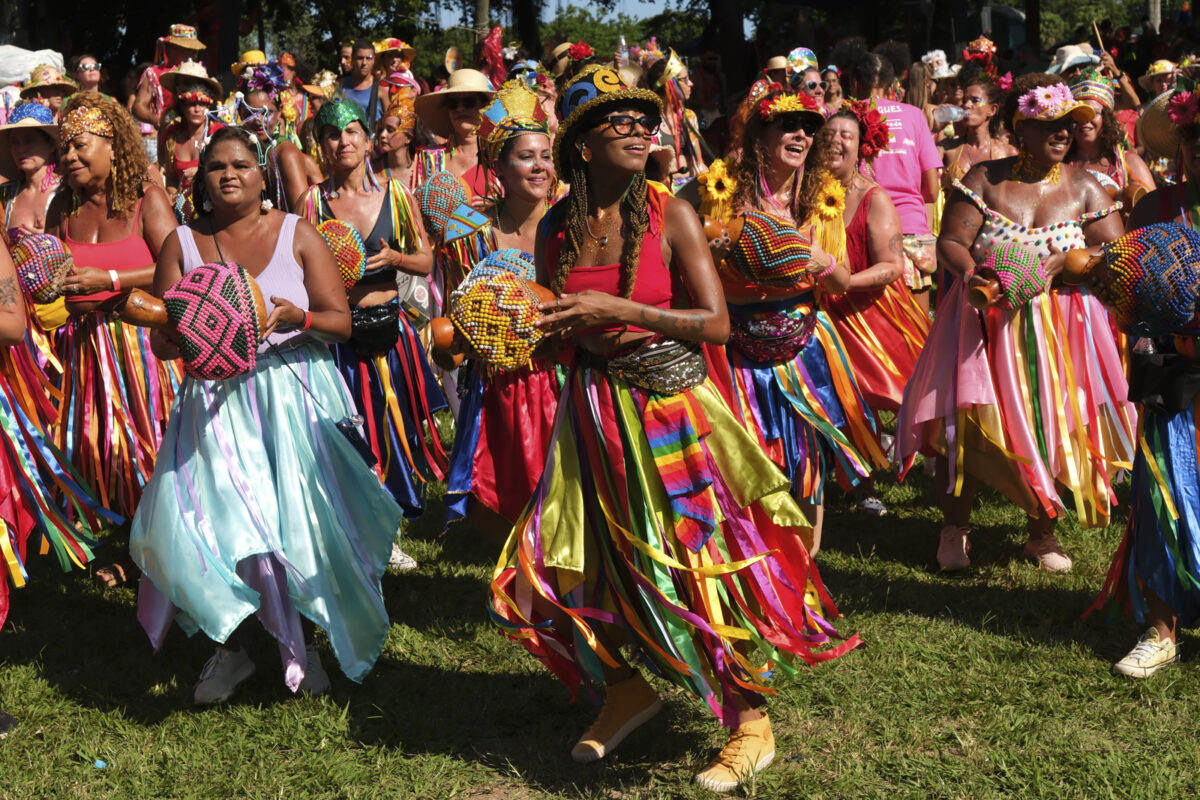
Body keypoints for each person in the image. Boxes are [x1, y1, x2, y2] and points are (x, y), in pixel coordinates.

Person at [492, 65, 858, 793]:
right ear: (581, 145)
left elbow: (716, 324)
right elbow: (557, 320)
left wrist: (620, 315)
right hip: (593, 413)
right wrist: (512, 335)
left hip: (672, 411)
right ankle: (627, 687)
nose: (638, 128)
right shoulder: (559, 225)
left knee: (699, 560)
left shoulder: (673, 213)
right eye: (617, 121)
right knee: (588, 561)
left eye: (642, 118)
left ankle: (750, 722)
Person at [129, 125, 403, 704]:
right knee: (217, 527)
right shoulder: (182, 241)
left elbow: (340, 322)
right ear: (201, 181)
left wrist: (292, 318)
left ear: (262, 177)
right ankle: (233, 652)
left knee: (294, 527)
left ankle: (302, 647)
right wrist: (193, 330)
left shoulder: (297, 233)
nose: (229, 174)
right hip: (213, 403)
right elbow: (163, 344)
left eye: (241, 165)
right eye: (215, 167)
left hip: (289, 397)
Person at [897, 73, 1135, 573]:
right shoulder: (985, 178)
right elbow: (951, 242)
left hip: (1063, 326)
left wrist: (1065, 264)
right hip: (982, 321)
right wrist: (974, 273)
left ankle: (1041, 534)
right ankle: (954, 529)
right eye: (1049, 123)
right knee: (968, 421)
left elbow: (1116, 250)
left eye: (1070, 124)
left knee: (1053, 422)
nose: (1063, 133)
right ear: (1018, 125)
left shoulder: (1087, 187)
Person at [708, 89, 887, 550]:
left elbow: (841, 281)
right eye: (788, 126)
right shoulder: (717, 188)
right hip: (735, 346)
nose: (802, 135)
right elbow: (679, 247)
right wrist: (706, 255)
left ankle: (808, 569)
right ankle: (757, 562)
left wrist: (819, 262)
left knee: (806, 461)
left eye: (809, 127)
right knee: (745, 458)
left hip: (803, 345)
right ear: (759, 135)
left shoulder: (822, 196)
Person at [1084, 84, 1200, 678]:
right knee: (1161, 499)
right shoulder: (1156, 208)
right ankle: (1160, 629)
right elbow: (1125, 282)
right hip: (1174, 379)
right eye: (1195, 138)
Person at [45, 91, 180, 583]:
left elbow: (178, 264)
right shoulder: (62, 205)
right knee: (96, 448)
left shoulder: (146, 200)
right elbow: (48, 267)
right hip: (81, 348)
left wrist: (112, 280)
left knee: (147, 446)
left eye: (80, 145)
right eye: (64, 149)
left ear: (112, 145)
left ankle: (157, 548)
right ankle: (120, 544)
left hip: (140, 348)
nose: (70, 157)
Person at [300, 100, 447, 529]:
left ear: (368, 141)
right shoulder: (311, 202)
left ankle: (398, 516)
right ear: (322, 146)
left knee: (397, 426)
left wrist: (396, 259)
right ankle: (363, 521)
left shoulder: (395, 194)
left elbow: (425, 261)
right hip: (342, 335)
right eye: (331, 134)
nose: (342, 141)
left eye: (350, 132)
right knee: (353, 428)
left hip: (391, 331)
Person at [442, 80, 560, 533]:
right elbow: (459, 313)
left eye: (545, 156)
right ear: (498, 167)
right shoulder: (468, 229)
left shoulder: (572, 222)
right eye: (526, 157)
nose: (539, 167)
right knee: (509, 508)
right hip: (498, 381)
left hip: (563, 375)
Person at [820, 105, 931, 515]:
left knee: (904, 395)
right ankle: (859, 485)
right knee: (840, 401)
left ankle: (944, 462)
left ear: (862, 146)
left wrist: (845, 281)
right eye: (828, 134)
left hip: (870, 313)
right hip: (821, 315)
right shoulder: (802, 194)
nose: (836, 141)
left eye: (846, 135)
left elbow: (891, 266)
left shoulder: (874, 197)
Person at [841, 45, 941, 308]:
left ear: (854, 83)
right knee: (917, 335)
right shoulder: (915, 116)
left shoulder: (841, 119)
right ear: (891, 84)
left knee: (868, 338)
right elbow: (931, 189)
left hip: (859, 235)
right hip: (911, 235)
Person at [1066, 69, 1154, 204]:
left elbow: (1153, 209)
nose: (1084, 119)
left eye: (1094, 113)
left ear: (1106, 119)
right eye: (1079, 112)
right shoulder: (1060, 165)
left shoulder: (1127, 162)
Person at [412, 69, 496, 199]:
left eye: (469, 102)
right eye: (453, 103)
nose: (460, 108)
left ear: (485, 107)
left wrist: (498, 206)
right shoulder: (430, 159)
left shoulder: (499, 157)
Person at [157, 60, 222, 221]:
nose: (197, 109)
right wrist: (173, 196)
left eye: (203, 103)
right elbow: (171, 177)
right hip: (182, 213)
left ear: (210, 106)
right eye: (191, 103)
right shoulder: (172, 137)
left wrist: (201, 174)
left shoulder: (220, 136)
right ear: (182, 105)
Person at [131, 24, 207, 159]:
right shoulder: (153, 73)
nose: (192, 53)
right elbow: (138, 107)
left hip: (196, 137)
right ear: (172, 48)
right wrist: (158, 121)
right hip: (166, 138)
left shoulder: (198, 72)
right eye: (187, 48)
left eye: (193, 49)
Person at [940, 73, 1018, 185]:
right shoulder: (947, 148)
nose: (966, 105)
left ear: (992, 110)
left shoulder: (1007, 153)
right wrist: (934, 129)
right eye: (964, 100)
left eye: (975, 100)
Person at [646, 49, 707, 190]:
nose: (690, 83)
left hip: (692, 186)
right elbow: (656, 171)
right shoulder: (647, 122)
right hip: (662, 191)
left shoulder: (689, 116)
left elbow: (699, 163)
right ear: (670, 84)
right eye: (684, 79)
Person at [0, 103, 62, 242]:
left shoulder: (66, 191)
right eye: (14, 142)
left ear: (51, 144)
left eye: (29, 141)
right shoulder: (5, 196)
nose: (20, 149)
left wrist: (55, 235)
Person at [372, 92, 418, 188]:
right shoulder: (373, 170)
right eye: (382, 129)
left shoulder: (421, 171)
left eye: (390, 130)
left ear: (408, 138)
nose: (383, 135)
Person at [341, 39, 382, 128]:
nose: (364, 63)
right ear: (352, 58)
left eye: (368, 58)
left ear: (374, 60)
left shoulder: (380, 88)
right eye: (360, 58)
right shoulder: (341, 85)